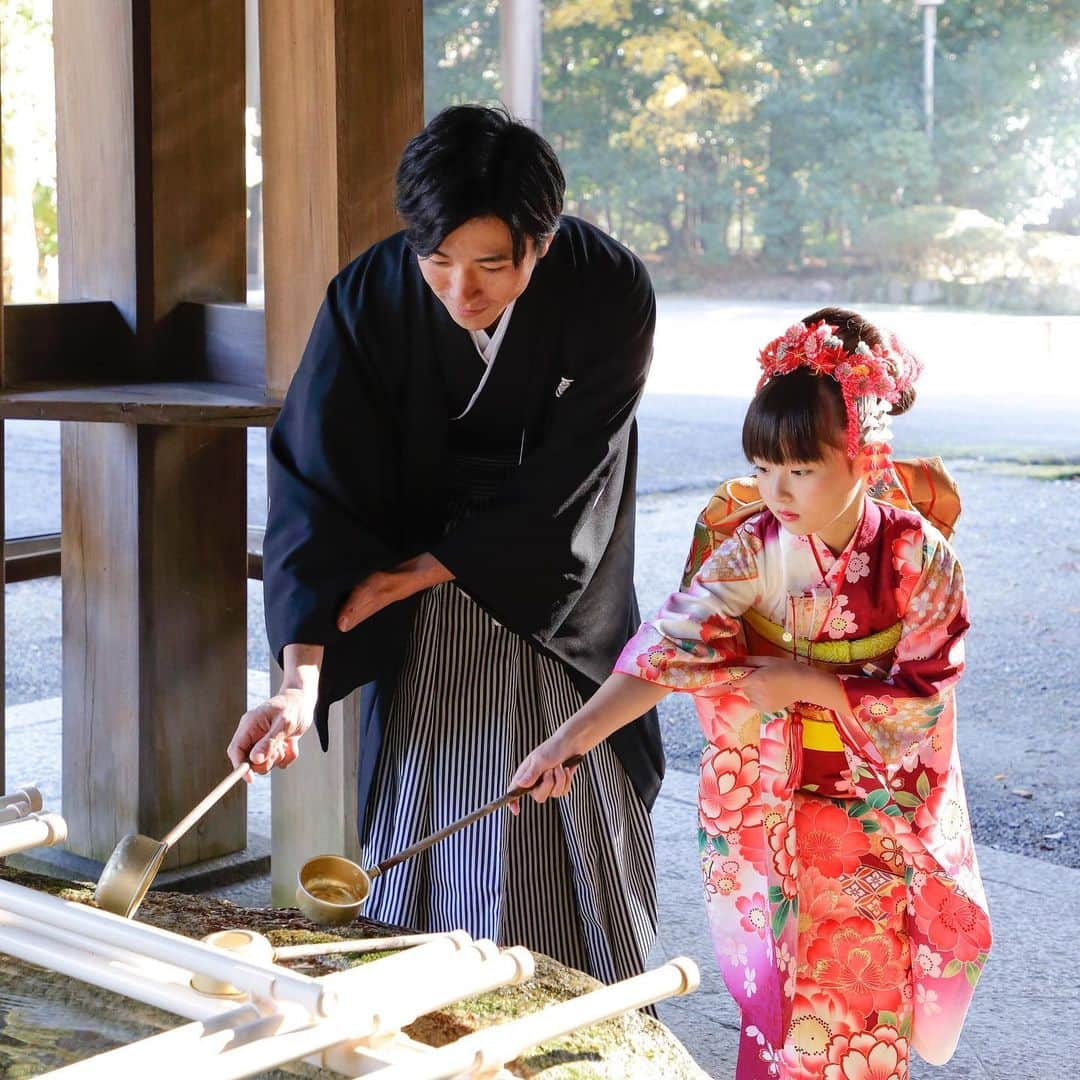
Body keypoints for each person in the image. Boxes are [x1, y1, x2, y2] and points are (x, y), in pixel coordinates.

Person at [227, 105, 661, 984]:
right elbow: (317, 475)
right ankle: (425, 996)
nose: (461, 292)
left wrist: (432, 570)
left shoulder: (609, 288)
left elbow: (580, 472)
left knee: (553, 777)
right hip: (407, 566)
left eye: (491, 267)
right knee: (429, 768)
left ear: (541, 242)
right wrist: (299, 678)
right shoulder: (368, 294)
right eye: (438, 264)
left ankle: (574, 993)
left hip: (544, 576)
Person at [512, 309, 991, 1077]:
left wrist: (809, 682)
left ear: (864, 456)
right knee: (774, 996)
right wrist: (566, 740)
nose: (777, 490)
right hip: (772, 805)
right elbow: (665, 650)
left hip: (874, 812)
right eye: (764, 466)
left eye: (801, 469)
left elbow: (927, 695)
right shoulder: (752, 550)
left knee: (857, 1001)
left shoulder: (914, 556)